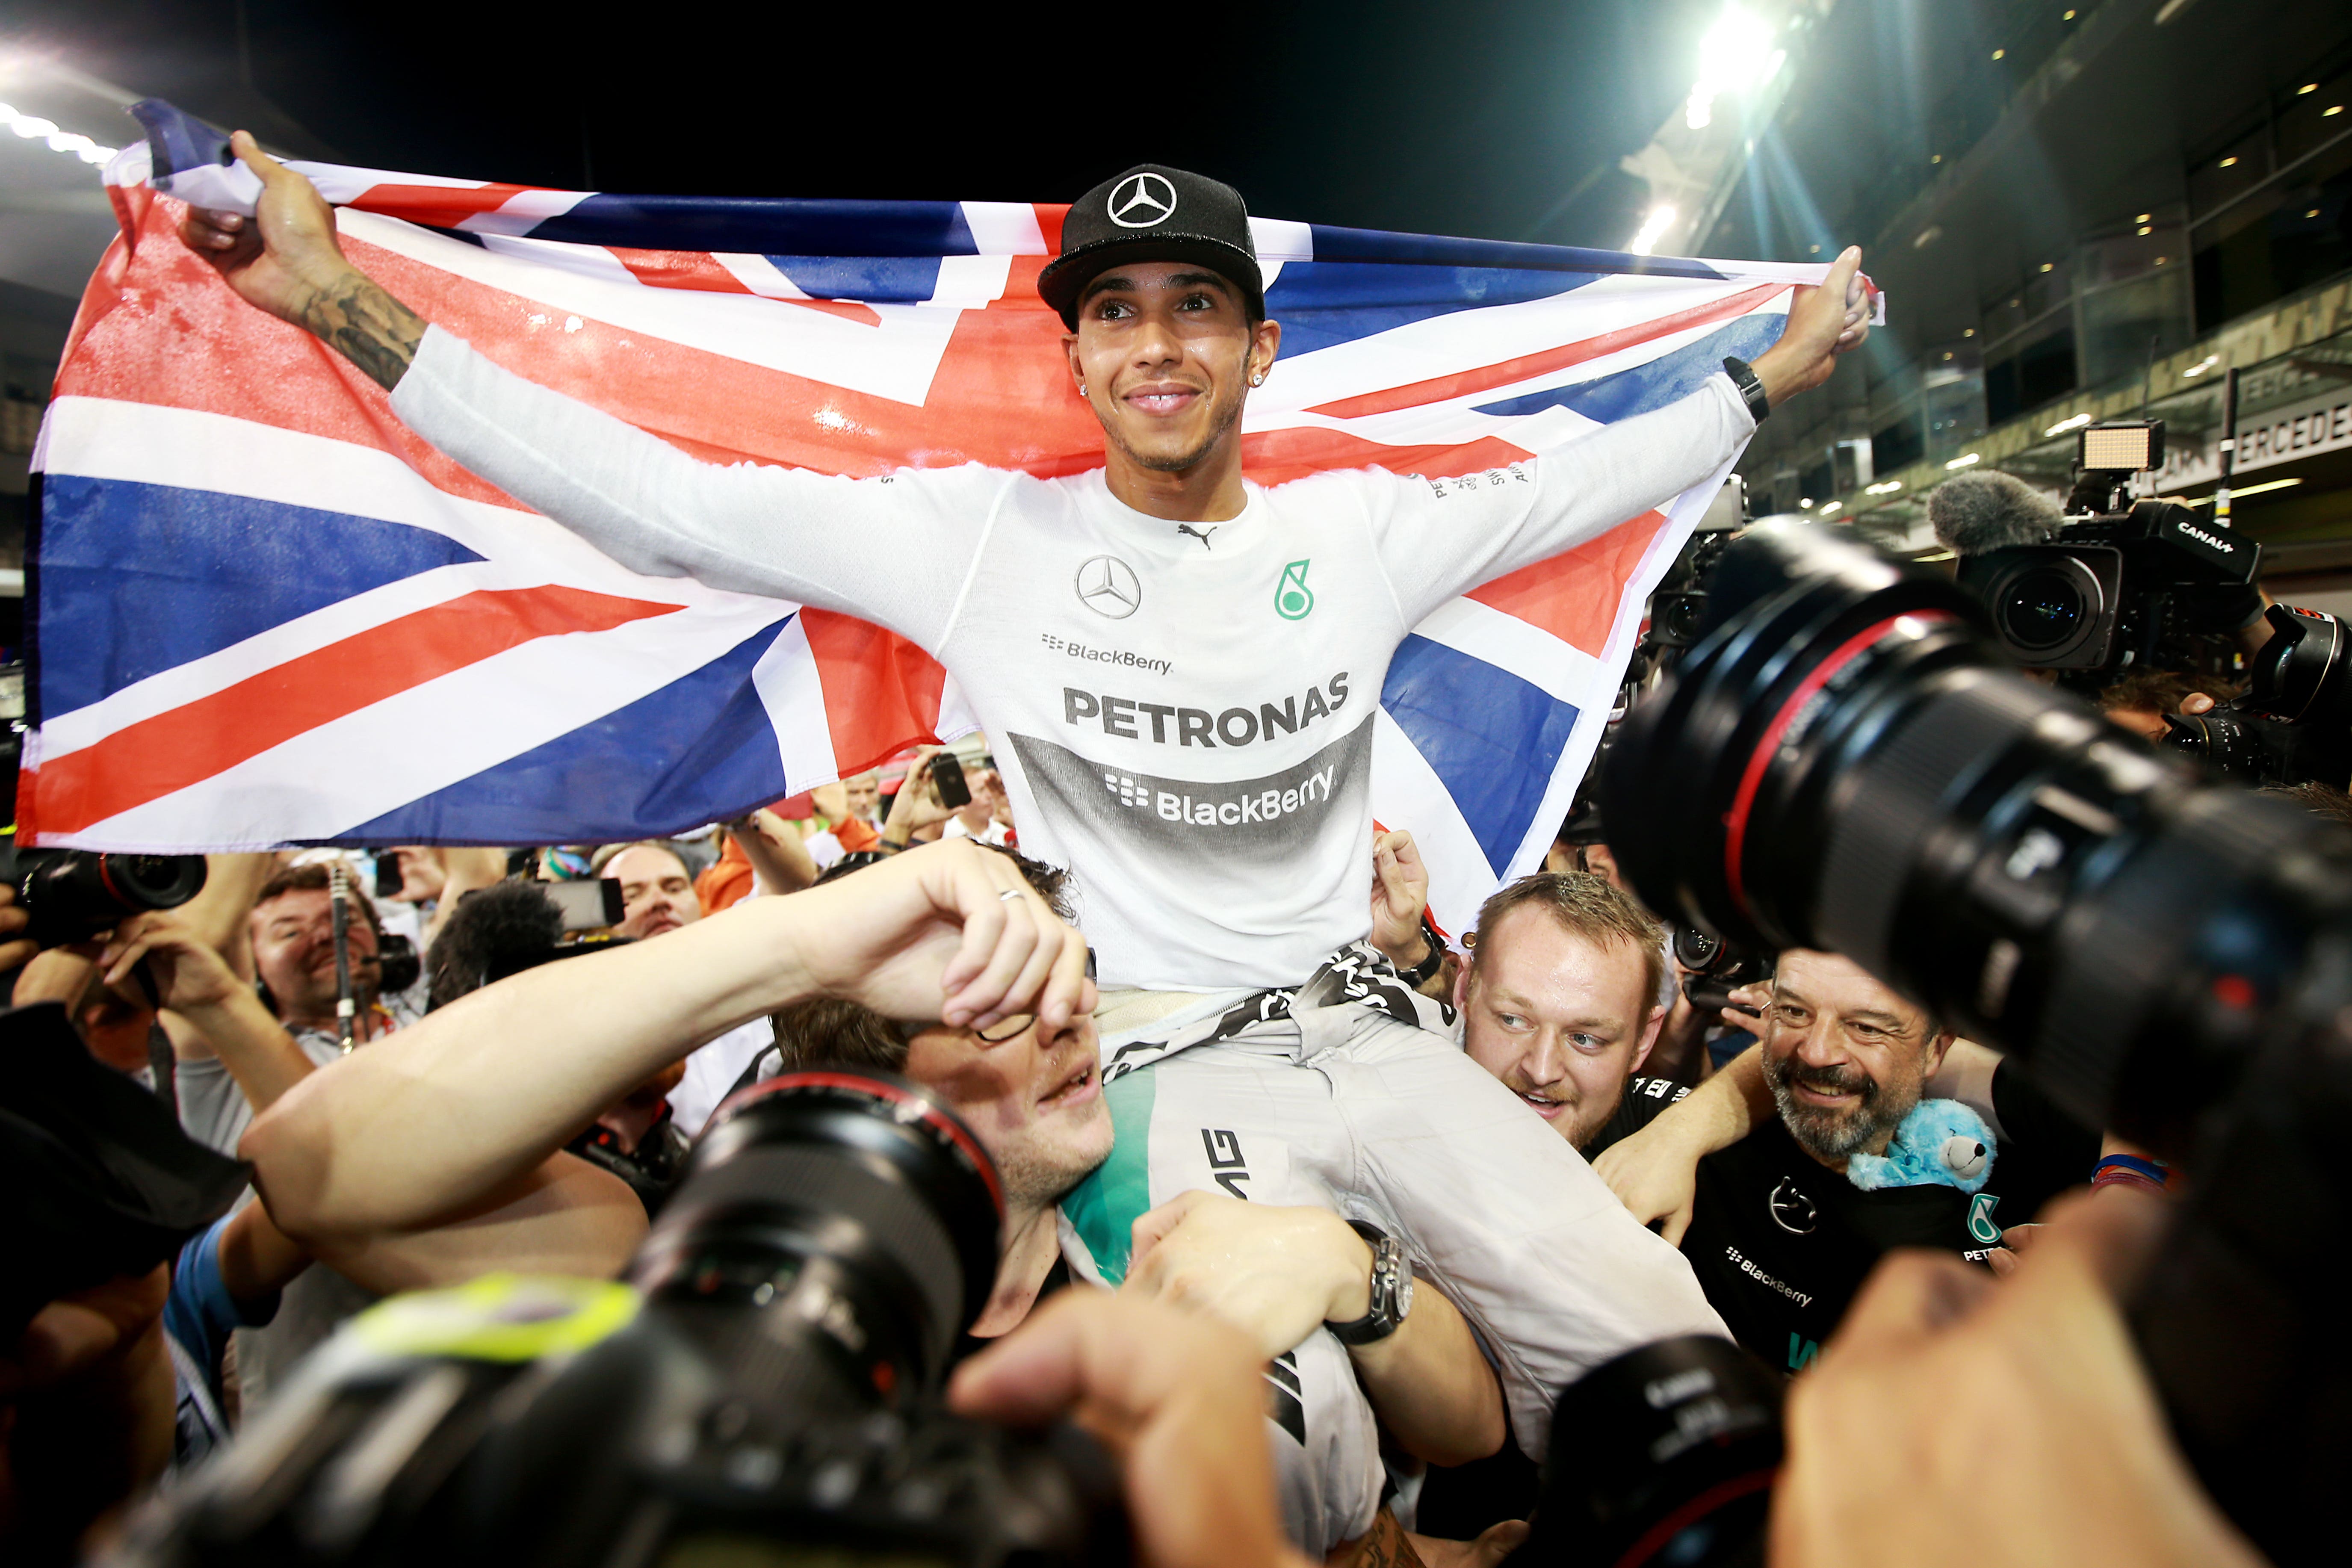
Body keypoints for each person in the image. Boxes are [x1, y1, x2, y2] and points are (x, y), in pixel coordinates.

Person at [179, 142, 1871, 998]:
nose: (1154, 344)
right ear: (1073, 363)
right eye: (1114, 310)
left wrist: (1772, 373)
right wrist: (338, 300)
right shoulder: (975, 537)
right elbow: (652, 494)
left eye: (1192, 304)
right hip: (1117, 1064)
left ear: (1257, 348)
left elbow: (1585, 476)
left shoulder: (1363, 530)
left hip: (1361, 1027)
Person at [1592, 950, 2099, 1372]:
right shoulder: (1661, 1138)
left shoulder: (2025, 1207)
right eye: (1794, 1012)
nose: (1816, 1051)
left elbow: (2152, 1132)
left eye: (1865, 1026)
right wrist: (1678, 1132)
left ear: (1935, 1051)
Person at [1447, 871, 1670, 1153]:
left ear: (1643, 1040)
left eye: (1585, 1039)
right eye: (1513, 1020)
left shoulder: (1668, 1131)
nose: (1541, 1072)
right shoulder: (1383, 1119)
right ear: (1465, 991)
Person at [587, 841, 775, 1133]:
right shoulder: (590, 1023)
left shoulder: (748, 968)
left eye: (674, 888)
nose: (659, 901)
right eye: (632, 895)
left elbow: (787, 885)